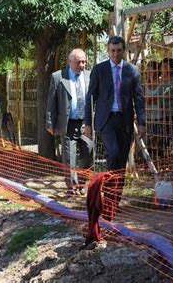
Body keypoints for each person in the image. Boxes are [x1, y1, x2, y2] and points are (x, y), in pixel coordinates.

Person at [84, 36, 146, 171]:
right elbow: (90, 97)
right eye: (112, 50)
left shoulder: (132, 71)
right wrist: (87, 123)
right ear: (108, 51)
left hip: (125, 120)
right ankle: (108, 189)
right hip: (106, 120)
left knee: (121, 159)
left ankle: (116, 192)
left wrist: (141, 123)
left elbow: (139, 98)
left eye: (118, 50)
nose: (115, 54)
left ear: (123, 50)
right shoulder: (99, 70)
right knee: (113, 152)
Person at [46, 49, 93, 196]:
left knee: (89, 152)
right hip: (68, 124)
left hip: (86, 123)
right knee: (69, 157)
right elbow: (51, 103)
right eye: (78, 62)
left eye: (84, 61)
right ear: (70, 61)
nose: (82, 65)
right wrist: (50, 123)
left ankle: (83, 183)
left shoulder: (90, 75)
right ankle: (71, 188)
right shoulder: (58, 77)